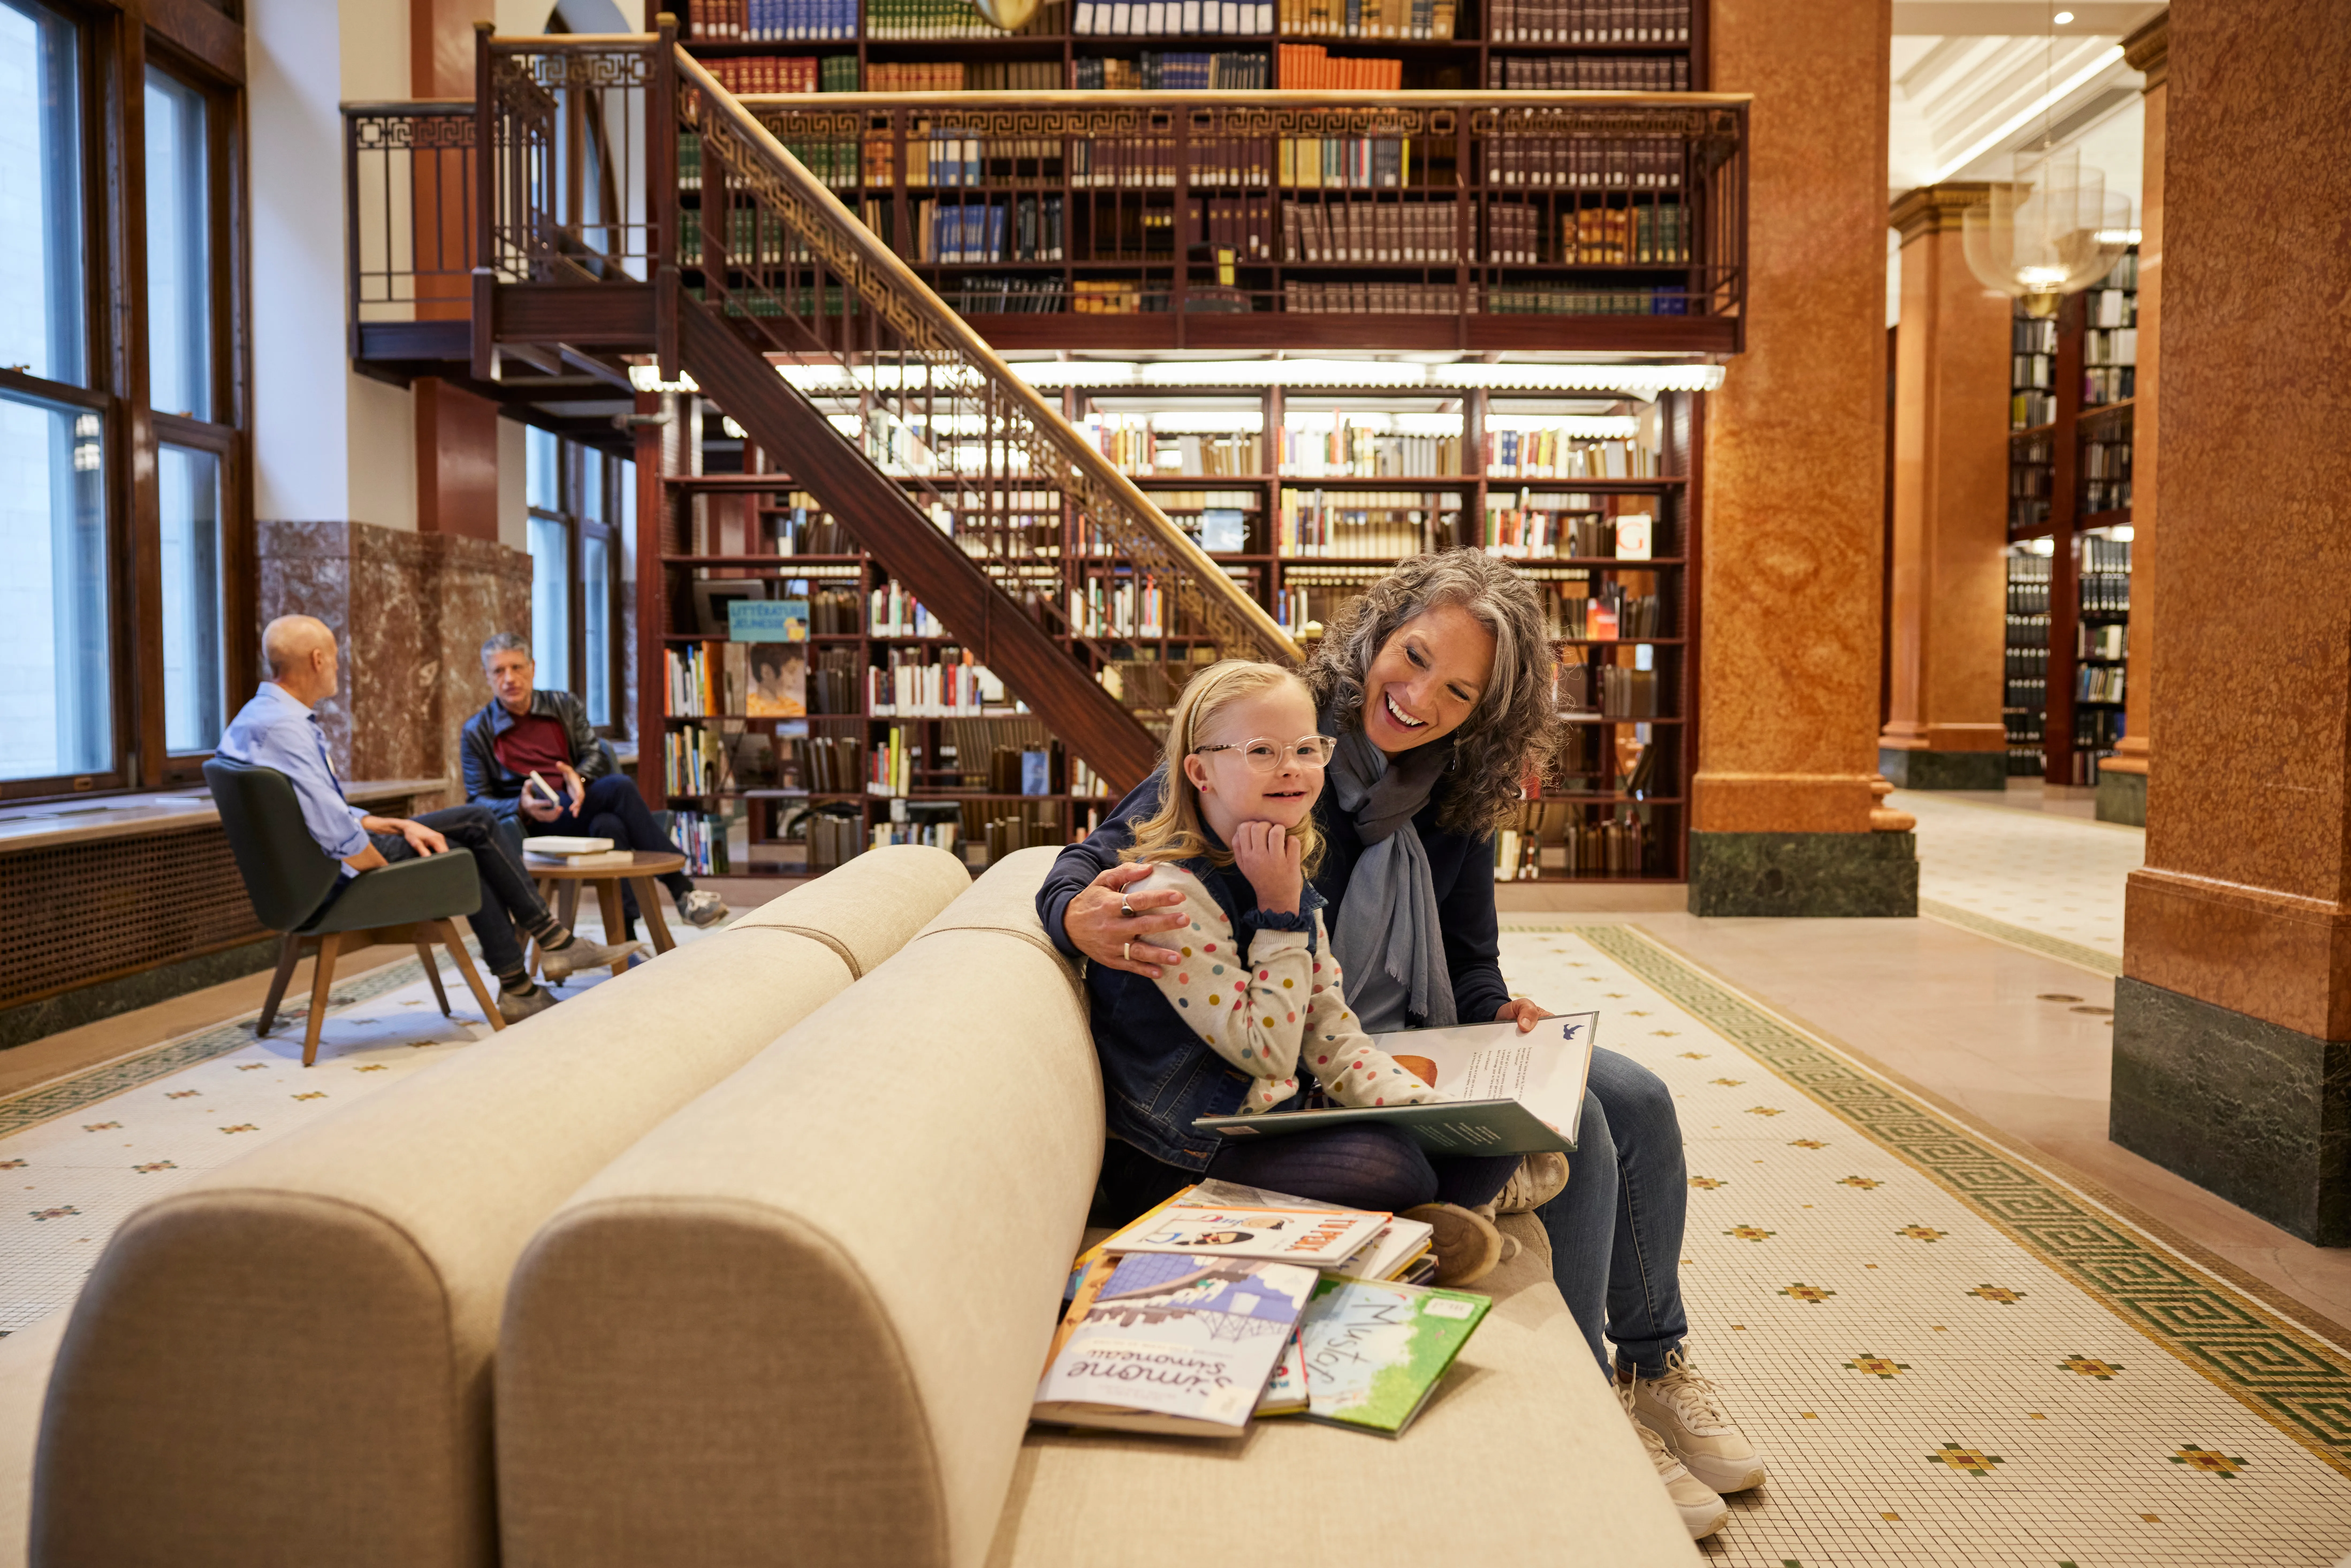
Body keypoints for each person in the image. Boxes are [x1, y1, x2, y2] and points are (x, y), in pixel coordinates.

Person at [1038, 550, 1763, 1540]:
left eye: (1457, 690)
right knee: (1580, 1117)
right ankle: (1597, 1397)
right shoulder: (1280, 737)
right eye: (1414, 657)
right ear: (1377, 634)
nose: (1419, 698)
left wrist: (1498, 1011)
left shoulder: (1457, 789)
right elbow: (1103, 850)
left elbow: (1469, 959)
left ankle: (1655, 1362)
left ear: (1485, 713)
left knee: (1635, 1096)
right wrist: (1068, 909)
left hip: (1383, 1035)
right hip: (1293, 1051)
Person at [1079, 658, 1533, 1284]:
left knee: (1493, 1133)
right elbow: (1265, 1048)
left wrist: (1431, 1112)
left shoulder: (1284, 870)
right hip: (1177, 1151)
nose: (1291, 767)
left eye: (1306, 748)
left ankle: (1425, 1225)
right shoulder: (1169, 897)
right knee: (1391, 1166)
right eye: (1262, 751)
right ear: (1200, 772)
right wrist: (1279, 914)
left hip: (1267, 1118)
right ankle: (1433, 1220)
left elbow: (1334, 1037)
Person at [217, 616, 640, 1023]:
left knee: (473, 826)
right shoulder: (288, 728)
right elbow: (334, 831)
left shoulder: (259, 717)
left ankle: (527, 976)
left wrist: (393, 825)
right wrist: (381, 871)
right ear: (317, 660)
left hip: (307, 867)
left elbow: (315, 809)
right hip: (330, 876)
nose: (339, 665)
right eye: (335, 655)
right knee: (468, 839)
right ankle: (543, 953)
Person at [461, 633, 727, 932]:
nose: (509, 678)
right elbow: (478, 801)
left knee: (609, 825)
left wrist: (579, 778)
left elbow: (595, 754)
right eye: (499, 671)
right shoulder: (476, 731)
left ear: (532, 668)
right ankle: (683, 891)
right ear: (487, 676)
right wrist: (521, 806)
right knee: (620, 788)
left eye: (517, 668)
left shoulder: (563, 705)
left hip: (581, 804)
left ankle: (625, 938)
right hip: (533, 828)